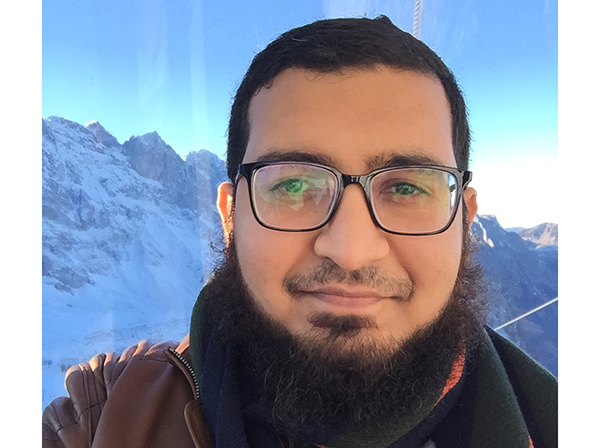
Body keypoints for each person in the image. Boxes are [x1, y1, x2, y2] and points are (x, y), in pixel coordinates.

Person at [42, 15, 557, 448]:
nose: (351, 250)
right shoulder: (100, 421)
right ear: (231, 216)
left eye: (406, 188)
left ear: (465, 218)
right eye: (292, 186)